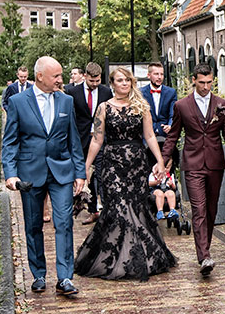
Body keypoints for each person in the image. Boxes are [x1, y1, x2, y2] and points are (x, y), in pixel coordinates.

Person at [74, 67, 176, 281]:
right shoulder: (103, 108)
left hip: (136, 165)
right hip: (112, 165)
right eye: (119, 80)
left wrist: (159, 161)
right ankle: (116, 258)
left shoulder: (141, 106)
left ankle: (139, 257)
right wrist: (87, 166)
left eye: (127, 80)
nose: (124, 84)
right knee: (117, 208)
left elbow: (149, 136)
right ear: (112, 84)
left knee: (136, 208)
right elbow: (97, 139)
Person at [2, 56, 86, 296]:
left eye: (61, 75)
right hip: (30, 173)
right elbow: (10, 142)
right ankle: (38, 274)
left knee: (64, 223)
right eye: (56, 76)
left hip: (61, 172)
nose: (61, 80)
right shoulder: (18, 102)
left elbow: (74, 140)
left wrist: (79, 172)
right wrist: (10, 174)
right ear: (40, 77)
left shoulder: (66, 101)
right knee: (33, 226)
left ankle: (65, 278)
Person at [161, 63, 225, 275]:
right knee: (199, 209)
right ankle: (204, 256)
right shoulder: (181, 106)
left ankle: (205, 248)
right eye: (201, 82)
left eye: (209, 82)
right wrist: (163, 160)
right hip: (192, 163)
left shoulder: (222, 105)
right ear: (193, 80)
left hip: (215, 164)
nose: (205, 87)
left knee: (211, 209)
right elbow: (173, 136)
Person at [65, 62, 110, 223]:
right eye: (92, 81)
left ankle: (104, 210)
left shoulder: (106, 92)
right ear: (85, 77)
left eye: (98, 80)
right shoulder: (72, 92)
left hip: (101, 139)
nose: (95, 84)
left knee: (101, 174)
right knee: (85, 176)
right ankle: (92, 209)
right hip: (81, 139)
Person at [140, 61, 176, 138]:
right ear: (148, 75)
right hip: (146, 135)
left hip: (165, 135)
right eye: (156, 74)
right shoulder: (140, 93)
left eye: (162, 74)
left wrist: (170, 125)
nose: (159, 77)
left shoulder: (171, 92)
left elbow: (173, 114)